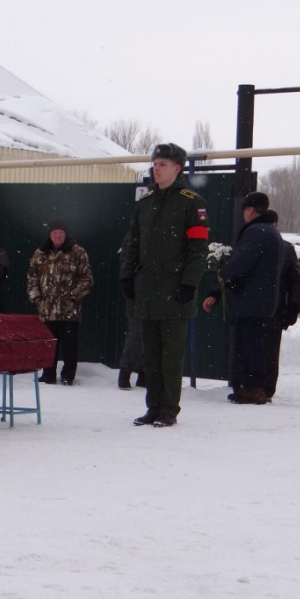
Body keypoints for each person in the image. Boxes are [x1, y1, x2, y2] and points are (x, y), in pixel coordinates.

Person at [120, 143, 208, 427]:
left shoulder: (192, 202)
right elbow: (133, 243)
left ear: (177, 169)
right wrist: (127, 276)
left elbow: (198, 249)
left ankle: (169, 408)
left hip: (175, 293)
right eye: (155, 163)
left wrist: (189, 283)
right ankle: (153, 407)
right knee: (151, 356)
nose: (156, 169)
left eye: (163, 164)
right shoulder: (145, 203)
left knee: (170, 357)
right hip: (147, 292)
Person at [201, 193, 283, 405]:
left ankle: (253, 388)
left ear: (251, 210)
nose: (243, 214)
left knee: (250, 344)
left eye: (245, 209)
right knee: (255, 343)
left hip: (251, 299)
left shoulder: (256, 231)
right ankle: (253, 387)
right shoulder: (271, 232)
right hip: (262, 298)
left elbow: (244, 259)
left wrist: (224, 272)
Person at [26, 219, 93, 385]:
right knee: (48, 344)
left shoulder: (77, 252)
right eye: (54, 233)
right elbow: (32, 277)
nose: (57, 236)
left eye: (60, 233)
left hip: (69, 309)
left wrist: (73, 296)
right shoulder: (41, 253)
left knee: (69, 346)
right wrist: (36, 297)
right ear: (50, 235)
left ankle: (68, 376)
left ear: (65, 234)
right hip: (47, 309)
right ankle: (48, 374)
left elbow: (87, 278)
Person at [264, 209, 300, 400]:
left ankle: (260, 387)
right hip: (275, 306)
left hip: (271, 307)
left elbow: (294, 280)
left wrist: (293, 306)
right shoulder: (285, 249)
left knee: (267, 349)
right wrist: (293, 306)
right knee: (270, 350)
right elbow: (295, 280)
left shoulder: (284, 249)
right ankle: (265, 388)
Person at [117, 231, 144, 390]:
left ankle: (144, 374)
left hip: (155, 295)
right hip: (137, 294)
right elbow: (126, 263)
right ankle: (125, 373)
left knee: (151, 336)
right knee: (136, 336)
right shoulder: (134, 236)